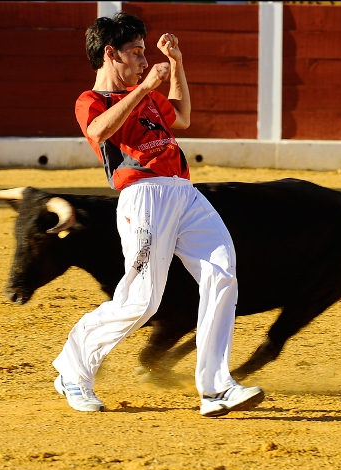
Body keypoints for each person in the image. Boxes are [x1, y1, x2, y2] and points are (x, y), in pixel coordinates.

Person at [52, 12, 264, 417]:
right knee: (141, 301)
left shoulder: (147, 95)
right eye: (136, 53)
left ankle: (216, 387)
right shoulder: (92, 99)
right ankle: (73, 370)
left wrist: (178, 65)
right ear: (110, 54)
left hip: (184, 192)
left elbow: (182, 117)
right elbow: (97, 132)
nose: (144, 61)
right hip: (142, 195)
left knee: (222, 274)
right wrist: (146, 87)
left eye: (145, 53)